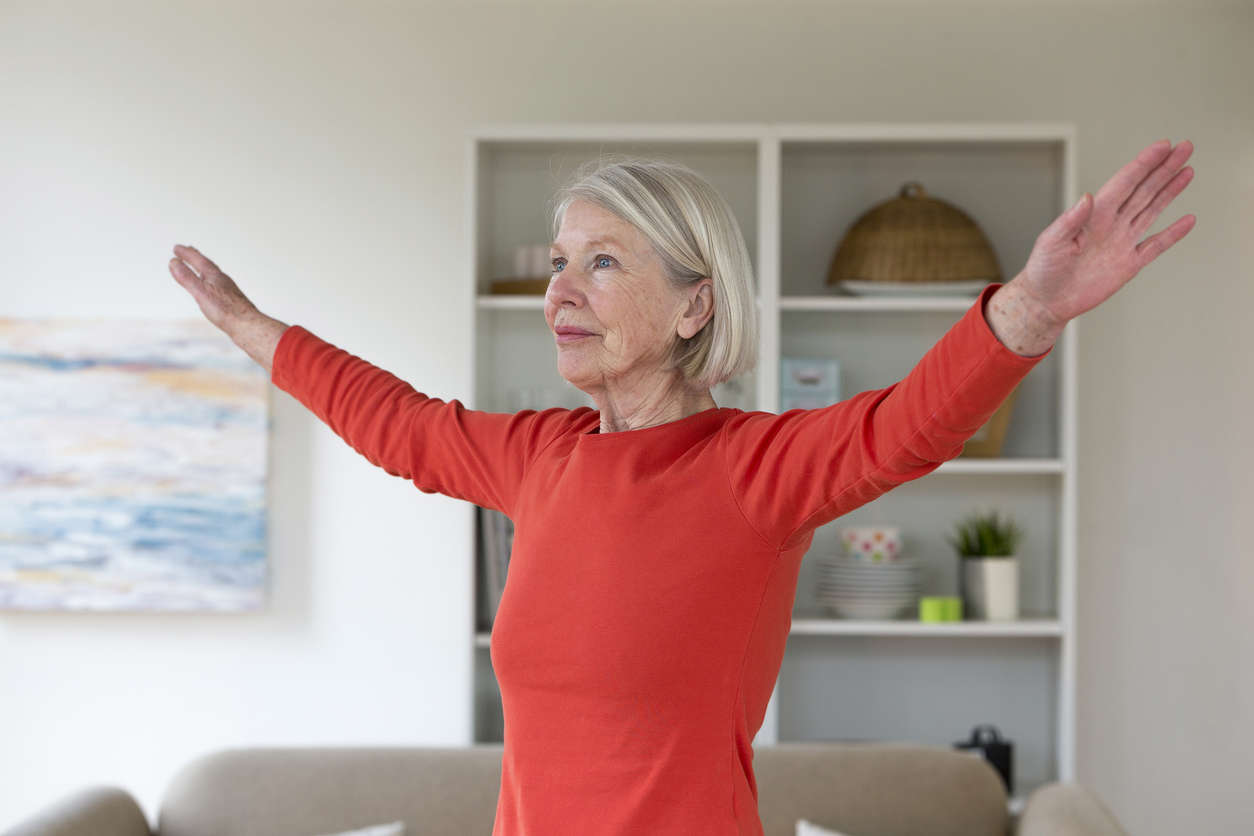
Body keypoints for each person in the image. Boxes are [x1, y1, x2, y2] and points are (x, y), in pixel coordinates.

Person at [168, 138, 1195, 835]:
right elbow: (398, 423)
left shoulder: (752, 470)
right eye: (561, 260)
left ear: (695, 303)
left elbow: (907, 425)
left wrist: (1027, 311)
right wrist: (252, 326)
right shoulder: (541, 455)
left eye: (603, 262)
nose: (560, 290)